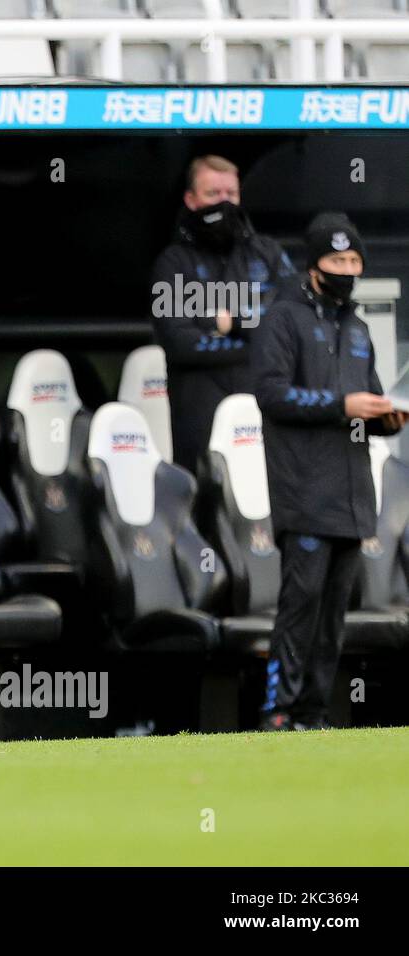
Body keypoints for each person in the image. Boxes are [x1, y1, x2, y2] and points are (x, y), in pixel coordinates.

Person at [251, 212, 406, 732]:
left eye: (354, 259)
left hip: (353, 496)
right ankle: (278, 712)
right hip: (303, 491)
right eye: (336, 259)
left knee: (334, 615)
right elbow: (272, 395)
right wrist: (343, 404)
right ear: (314, 264)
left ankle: (314, 714)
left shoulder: (358, 329)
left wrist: (387, 417)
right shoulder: (283, 318)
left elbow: (369, 402)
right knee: (301, 608)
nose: (347, 268)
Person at [151, 154, 295, 472]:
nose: (224, 203)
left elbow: (293, 325)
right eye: (213, 195)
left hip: (266, 407)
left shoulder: (267, 253)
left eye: (231, 194)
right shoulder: (173, 263)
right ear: (191, 200)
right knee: (208, 498)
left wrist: (231, 323)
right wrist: (258, 339)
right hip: (200, 417)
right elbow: (179, 343)